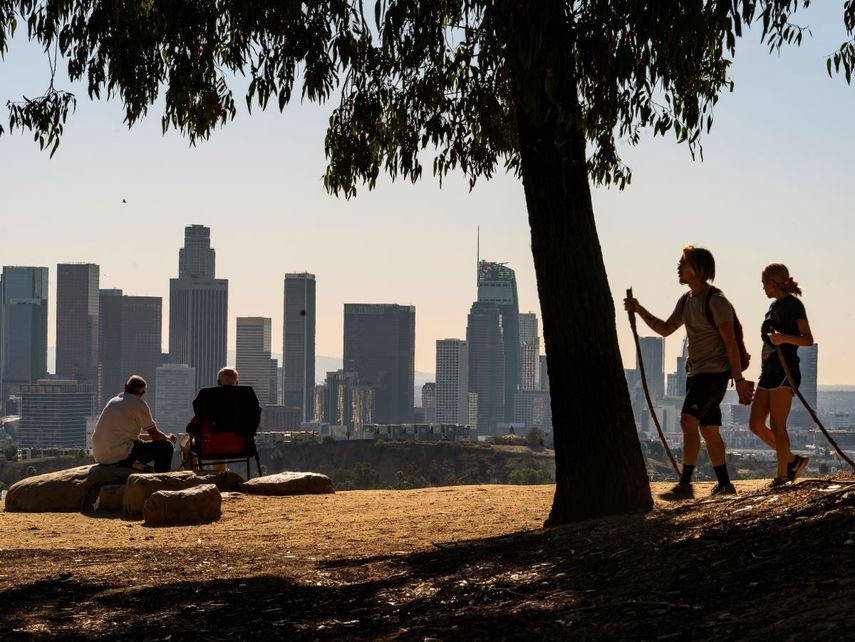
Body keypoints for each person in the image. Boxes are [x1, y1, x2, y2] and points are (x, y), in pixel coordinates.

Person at [624, 245, 754, 499]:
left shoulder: (716, 300)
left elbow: (730, 343)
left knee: (687, 420)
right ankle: (725, 485)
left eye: (683, 263)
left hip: (713, 374)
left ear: (699, 270)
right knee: (708, 429)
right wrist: (638, 309)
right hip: (696, 374)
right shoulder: (686, 301)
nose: (678, 267)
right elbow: (665, 329)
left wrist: (738, 379)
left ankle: (685, 485)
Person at [748, 263, 813, 487]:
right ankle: (792, 460)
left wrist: (783, 338)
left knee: (777, 425)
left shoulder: (794, 306)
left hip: (785, 372)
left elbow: (807, 339)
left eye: (764, 284)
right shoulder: (773, 306)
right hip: (768, 371)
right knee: (755, 424)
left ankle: (783, 475)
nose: (762, 288)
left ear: (773, 283)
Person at [92, 375, 176, 472]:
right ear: (142, 393)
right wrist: (168, 439)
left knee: (139, 446)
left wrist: (165, 436)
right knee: (166, 447)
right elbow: (155, 436)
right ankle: (161, 480)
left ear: (125, 387)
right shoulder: (139, 404)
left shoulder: (113, 401)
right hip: (118, 456)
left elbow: (131, 437)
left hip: (100, 456)